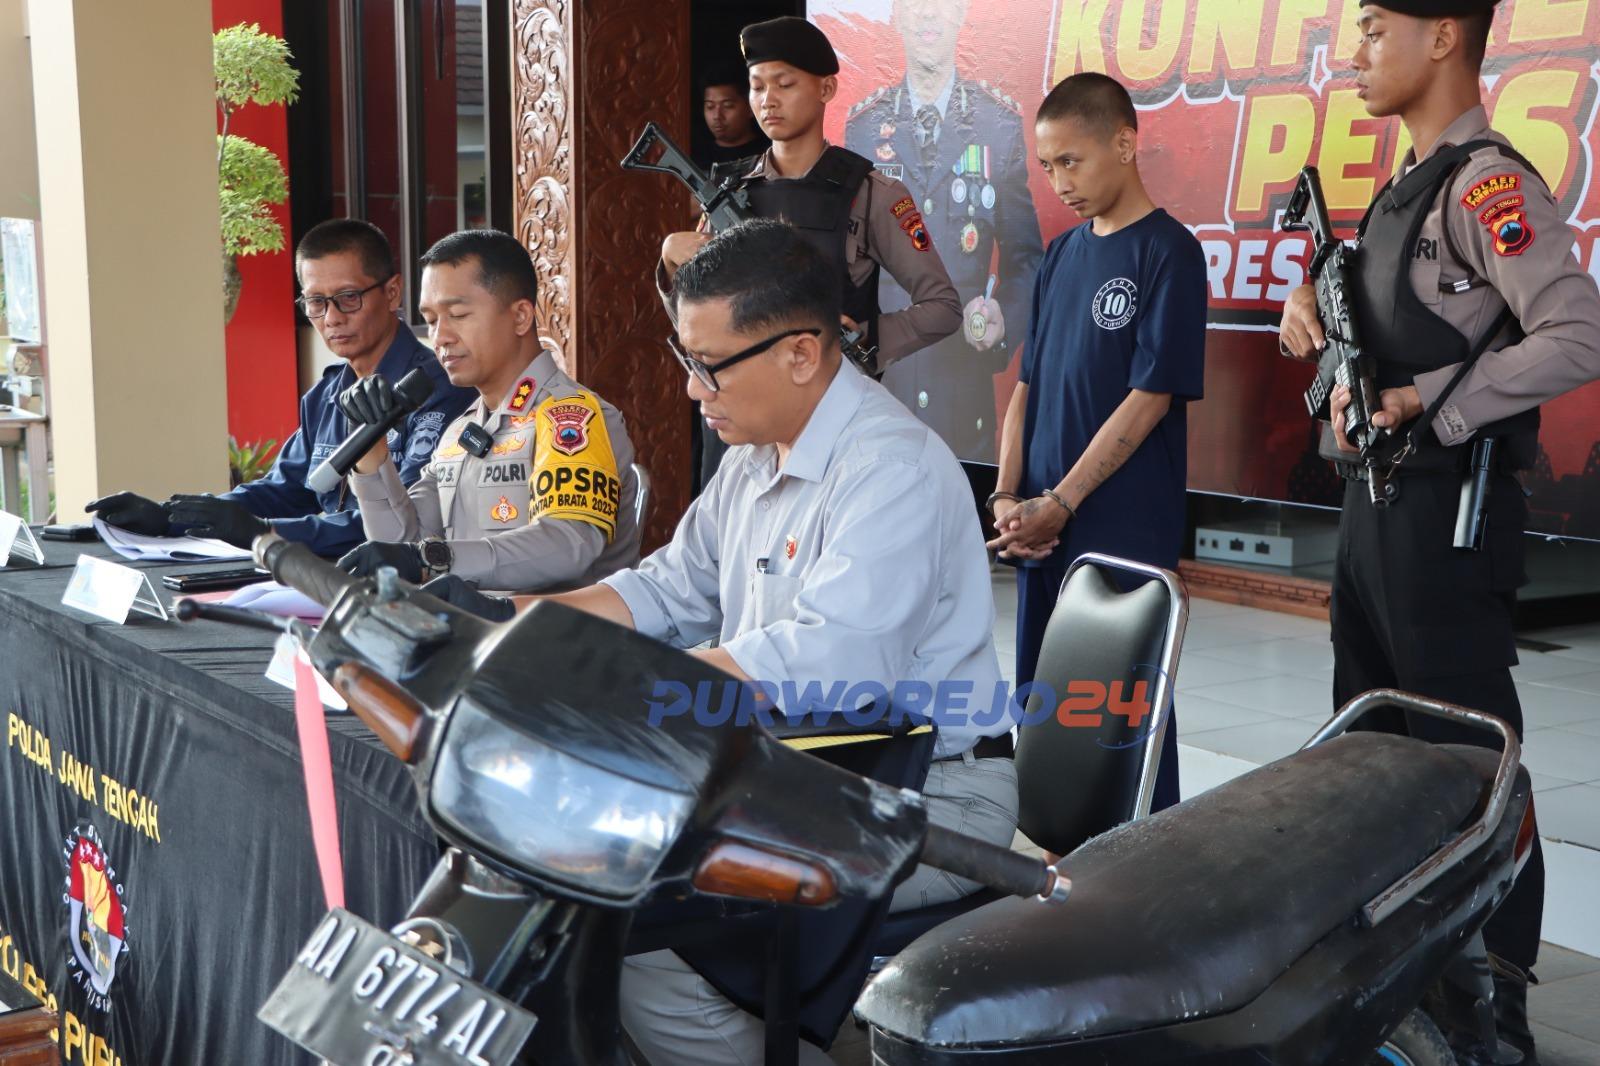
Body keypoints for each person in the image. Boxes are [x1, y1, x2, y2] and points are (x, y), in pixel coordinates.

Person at [436, 219, 1017, 1064]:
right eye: (686, 359)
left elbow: (837, 667)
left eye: (709, 366)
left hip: (926, 798)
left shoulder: (890, 469)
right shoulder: (755, 451)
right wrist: (528, 629)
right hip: (800, 771)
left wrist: (626, 681)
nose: (691, 389)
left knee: (636, 919)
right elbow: (669, 587)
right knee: (570, 871)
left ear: (801, 354)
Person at [1278, 2, 1600, 1059]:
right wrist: (1313, 318)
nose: (1356, 51)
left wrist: (1432, 404)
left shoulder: (1485, 185)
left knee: (1469, 763)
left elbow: (1576, 331)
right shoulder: (1401, 191)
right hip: (1374, 513)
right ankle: (1397, 974)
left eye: (1376, 28)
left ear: (1445, 36)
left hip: (1447, 517)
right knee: (1371, 751)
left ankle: (1497, 997)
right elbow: (1391, 323)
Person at [987, 73, 1207, 813]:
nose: (1060, 183)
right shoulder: (1061, 255)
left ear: (1125, 143)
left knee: (1122, 705)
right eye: (1047, 167)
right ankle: (1056, 847)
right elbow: (1026, 387)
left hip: (1120, 522)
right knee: (1046, 698)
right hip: (1043, 526)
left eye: (1071, 162)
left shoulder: (1170, 253)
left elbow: (1150, 398)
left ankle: (1146, 856)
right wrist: (1008, 494)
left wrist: (1064, 498)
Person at [661, 15, 962, 491]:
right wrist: (670, 264)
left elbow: (942, 307)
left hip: (829, 419)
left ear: (826, 89)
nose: (768, 99)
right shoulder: (726, 193)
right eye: (757, 86)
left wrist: (861, 343)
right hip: (736, 426)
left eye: (784, 84)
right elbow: (693, 324)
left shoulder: (870, 193)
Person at [85, 220, 472, 556]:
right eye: (316, 302)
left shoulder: (437, 390)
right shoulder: (325, 396)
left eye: (348, 298)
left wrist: (263, 531)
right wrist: (171, 516)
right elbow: (283, 489)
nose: (331, 318)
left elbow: (402, 524)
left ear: (392, 293)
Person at [335, 229, 641, 591]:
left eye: (458, 314)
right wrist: (371, 456)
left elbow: (568, 544)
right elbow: (404, 547)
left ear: (521, 316)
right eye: (431, 321)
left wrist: (435, 559)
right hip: (464, 623)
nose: (440, 337)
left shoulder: (572, 417)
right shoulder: (457, 435)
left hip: (552, 625)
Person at [844, 0, 1044, 462]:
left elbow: (1027, 260)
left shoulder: (998, 123)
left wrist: (1004, 319)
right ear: (897, 15)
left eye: (940, 4)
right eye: (914, 4)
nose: (928, 14)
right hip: (882, 391)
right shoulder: (863, 127)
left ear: (960, 13)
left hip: (962, 393)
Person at [694, 60, 769, 169]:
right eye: (710, 106)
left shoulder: (770, 155)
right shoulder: (695, 157)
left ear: (750, 107)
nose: (717, 116)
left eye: (727, 106)